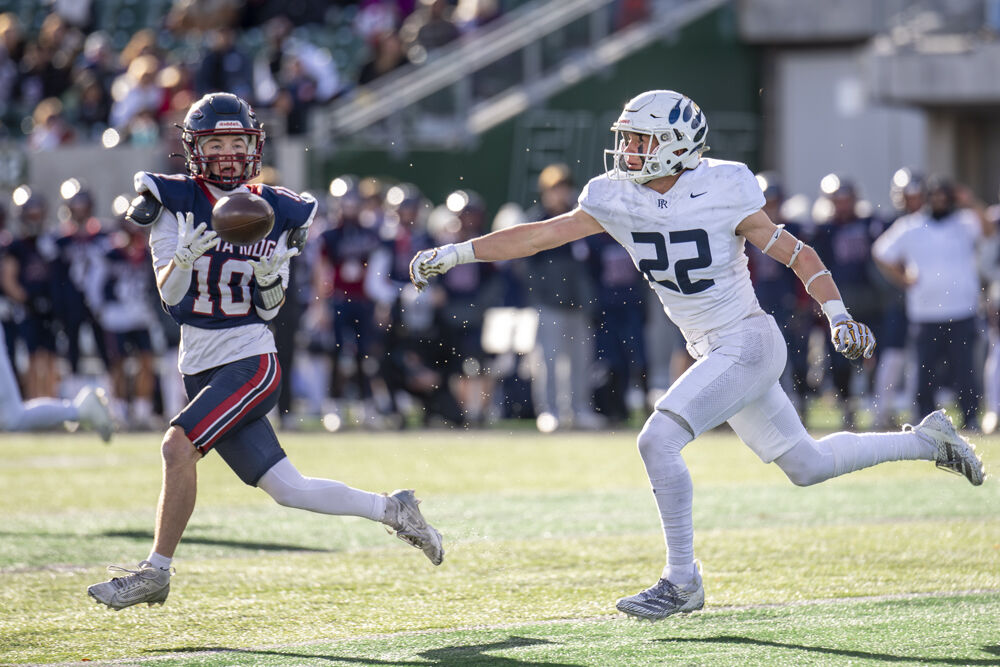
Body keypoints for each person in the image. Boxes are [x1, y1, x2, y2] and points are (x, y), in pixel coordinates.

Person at [410, 89, 987, 621]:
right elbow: (537, 235)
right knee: (807, 466)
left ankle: (682, 580)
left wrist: (837, 315)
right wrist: (457, 253)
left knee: (657, 439)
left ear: (676, 144)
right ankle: (928, 440)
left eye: (640, 140)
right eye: (627, 139)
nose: (627, 150)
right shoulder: (615, 195)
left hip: (747, 340)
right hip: (713, 347)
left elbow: (797, 253)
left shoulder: (725, 186)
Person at [87, 92, 443, 612]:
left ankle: (155, 572)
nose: (228, 153)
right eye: (215, 144)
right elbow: (170, 296)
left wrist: (272, 279)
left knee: (176, 446)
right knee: (288, 489)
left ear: (254, 144)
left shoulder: (279, 208)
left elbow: (270, 308)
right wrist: (184, 258)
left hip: (251, 359)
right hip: (198, 362)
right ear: (194, 148)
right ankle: (393, 510)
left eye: (236, 142)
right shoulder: (170, 200)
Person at [872, 177, 993, 430]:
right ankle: (924, 420)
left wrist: (971, 201)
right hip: (924, 312)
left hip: (962, 310)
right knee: (924, 371)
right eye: (934, 196)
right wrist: (901, 278)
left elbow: (989, 231)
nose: (939, 201)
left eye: (944, 196)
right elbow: (880, 252)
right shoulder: (910, 225)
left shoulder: (964, 222)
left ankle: (970, 417)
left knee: (964, 369)